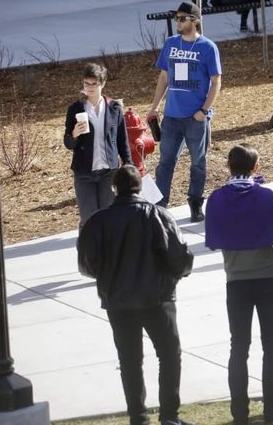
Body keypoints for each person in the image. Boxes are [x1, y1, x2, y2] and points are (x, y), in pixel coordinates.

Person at [77, 166, 194, 425]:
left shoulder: (97, 222)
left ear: (114, 188)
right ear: (139, 187)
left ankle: (138, 418)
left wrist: (109, 276)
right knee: (169, 355)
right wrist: (177, 275)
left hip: (119, 302)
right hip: (158, 299)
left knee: (129, 360)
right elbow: (179, 258)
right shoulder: (158, 215)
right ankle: (170, 416)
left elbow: (87, 265)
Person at [204, 145, 273, 425]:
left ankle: (239, 413)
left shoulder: (216, 199)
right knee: (272, 345)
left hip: (236, 280)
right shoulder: (266, 196)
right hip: (268, 277)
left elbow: (213, 240)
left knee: (238, 346)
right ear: (257, 166)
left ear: (228, 165)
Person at [148, 1, 222, 221]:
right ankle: (160, 206)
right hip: (171, 116)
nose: (177, 22)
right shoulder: (171, 44)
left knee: (198, 163)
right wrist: (154, 107)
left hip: (195, 118)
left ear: (195, 21)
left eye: (182, 18)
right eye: (177, 18)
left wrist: (203, 110)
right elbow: (164, 77)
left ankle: (195, 203)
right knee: (165, 163)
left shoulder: (208, 47)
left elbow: (216, 81)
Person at [64, 63, 130, 225]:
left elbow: (122, 140)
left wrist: (129, 165)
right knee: (89, 220)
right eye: (87, 83)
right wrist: (74, 135)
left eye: (94, 84)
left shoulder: (114, 108)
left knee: (108, 217)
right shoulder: (75, 109)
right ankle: (86, 250)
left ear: (103, 84)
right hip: (84, 173)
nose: (90, 88)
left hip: (109, 172)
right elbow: (68, 143)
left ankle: (107, 250)